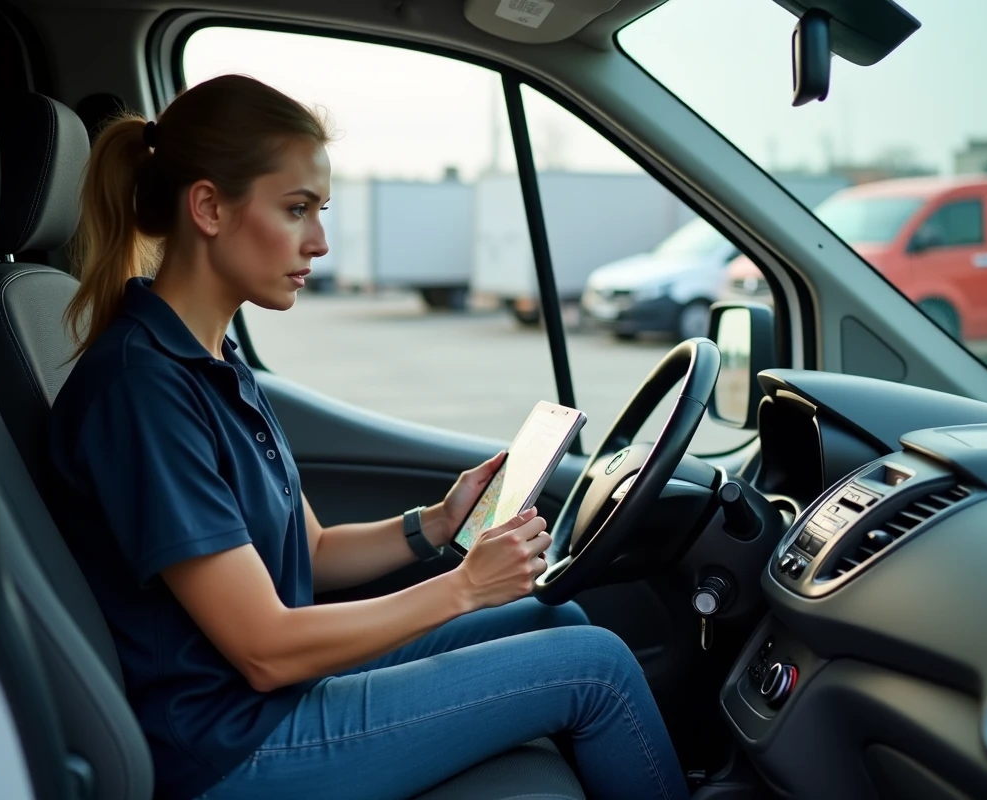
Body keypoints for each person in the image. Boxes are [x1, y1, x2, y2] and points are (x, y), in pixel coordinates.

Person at [47, 73, 688, 800]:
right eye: (296, 211)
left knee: (553, 614)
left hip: (274, 697)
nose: (319, 241)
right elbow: (262, 650)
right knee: (593, 666)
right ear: (208, 208)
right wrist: (464, 586)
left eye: (320, 211)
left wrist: (436, 524)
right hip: (232, 745)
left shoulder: (212, 358)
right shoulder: (143, 391)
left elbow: (310, 553)